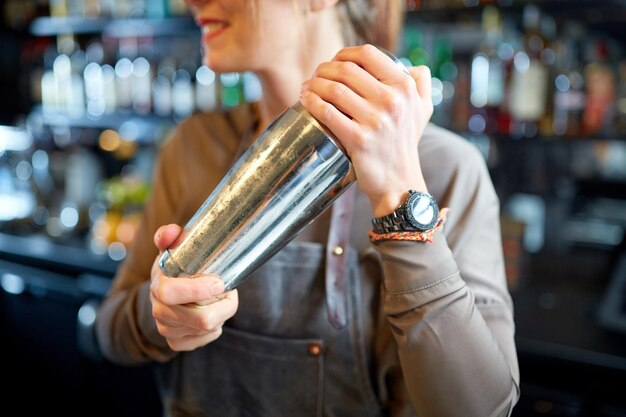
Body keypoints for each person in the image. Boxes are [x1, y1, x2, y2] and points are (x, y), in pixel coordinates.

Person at [95, 0, 520, 416]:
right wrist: (164, 315)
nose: (190, 1)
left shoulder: (446, 169)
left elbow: (484, 408)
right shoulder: (192, 145)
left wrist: (400, 195)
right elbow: (109, 332)